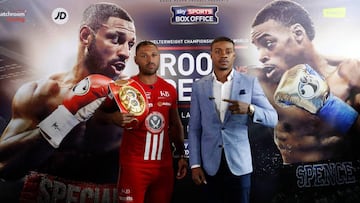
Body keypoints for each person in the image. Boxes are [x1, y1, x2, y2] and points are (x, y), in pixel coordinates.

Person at [0, 3, 136, 202]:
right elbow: (5, 168)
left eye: (130, 45)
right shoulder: (43, 93)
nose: (125, 52)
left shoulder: (132, 97)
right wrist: (59, 125)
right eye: (116, 39)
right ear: (85, 36)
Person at [250, 1, 360, 202]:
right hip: (293, 192)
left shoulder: (351, 72)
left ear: (298, 33)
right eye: (257, 49)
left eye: (268, 43)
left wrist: (326, 104)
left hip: (347, 188)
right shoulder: (259, 82)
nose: (262, 56)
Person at [188, 36, 278, 203]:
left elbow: (273, 118)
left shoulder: (249, 82)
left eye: (228, 51)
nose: (223, 55)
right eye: (218, 51)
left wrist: (250, 109)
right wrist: (195, 165)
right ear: (211, 55)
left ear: (234, 55)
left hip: (239, 165)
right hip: (209, 165)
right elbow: (194, 128)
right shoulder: (199, 86)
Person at [111, 40, 188, 203]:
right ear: (136, 60)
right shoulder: (124, 87)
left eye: (154, 55)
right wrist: (113, 118)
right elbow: (99, 115)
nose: (150, 60)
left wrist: (181, 155)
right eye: (144, 56)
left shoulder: (169, 89)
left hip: (163, 167)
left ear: (159, 58)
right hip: (134, 166)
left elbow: (175, 125)